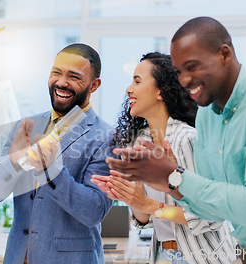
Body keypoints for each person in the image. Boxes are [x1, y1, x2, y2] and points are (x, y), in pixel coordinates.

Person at [106, 17, 246, 263]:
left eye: (192, 66)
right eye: (179, 72)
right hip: (242, 253)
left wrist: (174, 179)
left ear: (224, 54)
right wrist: (162, 187)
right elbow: (209, 208)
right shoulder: (208, 116)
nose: (185, 80)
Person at [91, 52, 236, 263]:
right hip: (163, 255)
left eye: (137, 81)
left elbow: (211, 216)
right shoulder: (140, 143)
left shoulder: (187, 139)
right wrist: (132, 197)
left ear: (161, 91)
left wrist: (150, 205)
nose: (128, 89)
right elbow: (144, 220)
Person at [0, 43, 113, 264]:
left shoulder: (106, 137)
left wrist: (52, 170)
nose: (62, 82)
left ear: (94, 85)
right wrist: (13, 162)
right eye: (57, 72)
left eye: (74, 76)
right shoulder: (26, 127)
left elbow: (93, 211)